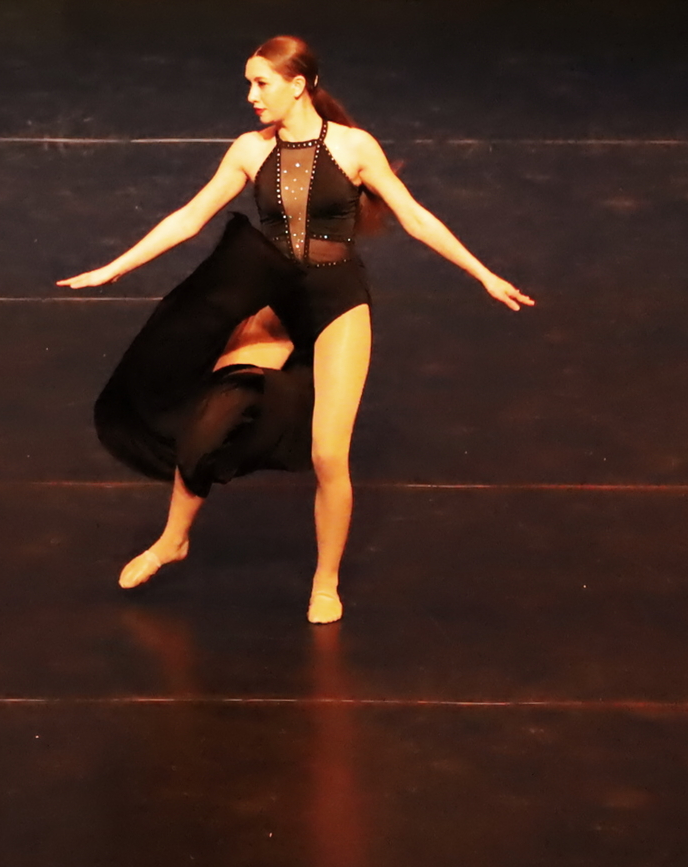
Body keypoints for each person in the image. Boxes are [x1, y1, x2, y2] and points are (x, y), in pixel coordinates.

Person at [57, 36, 533, 623]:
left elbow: (414, 216)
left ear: (297, 85)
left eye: (261, 83)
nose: (250, 95)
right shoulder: (249, 150)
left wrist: (483, 274)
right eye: (249, 83)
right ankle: (173, 540)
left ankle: (325, 581)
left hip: (337, 306)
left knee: (328, 453)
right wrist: (113, 268)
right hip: (274, 305)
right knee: (210, 420)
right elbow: (189, 218)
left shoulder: (354, 147)